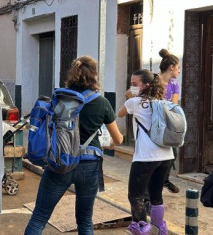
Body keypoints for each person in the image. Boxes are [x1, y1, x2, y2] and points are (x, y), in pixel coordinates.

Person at [24, 56, 123, 235]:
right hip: (90, 166)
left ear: (72, 74)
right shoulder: (102, 103)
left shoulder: (60, 98)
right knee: (85, 221)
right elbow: (119, 140)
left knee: (39, 217)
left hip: (60, 162)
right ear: (95, 76)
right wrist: (106, 144)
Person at [118, 69, 174, 235]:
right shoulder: (162, 102)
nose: (132, 87)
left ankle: (141, 227)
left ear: (146, 85)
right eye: (131, 84)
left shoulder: (134, 103)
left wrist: (129, 95)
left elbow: (120, 114)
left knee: (135, 195)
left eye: (135, 84)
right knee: (156, 196)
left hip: (146, 157)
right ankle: (160, 228)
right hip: (166, 156)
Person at [158, 48, 180, 194]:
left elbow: (174, 104)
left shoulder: (174, 84)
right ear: (171, 67)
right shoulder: (153, 81)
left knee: (173, 153)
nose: (178, 71)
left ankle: (164, 180)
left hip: (168, 124)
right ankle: (156, 185)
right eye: (178, 68)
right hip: (155, 124)